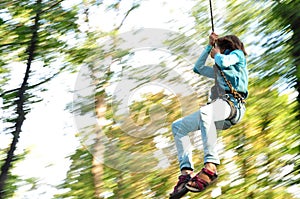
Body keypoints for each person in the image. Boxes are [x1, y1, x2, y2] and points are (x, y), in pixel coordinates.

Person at [169, 32, 248, 198]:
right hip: (218, 111)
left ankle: (211, 166)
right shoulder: (220, 68)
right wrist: (208, 47)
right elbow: (197, 68)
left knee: (206, 112)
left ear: (228, 48)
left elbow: (226, 61)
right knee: (178, 127)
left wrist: (218, 54)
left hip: (233, 106)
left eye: (222, 48)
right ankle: (186, 172)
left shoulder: (237, 56)